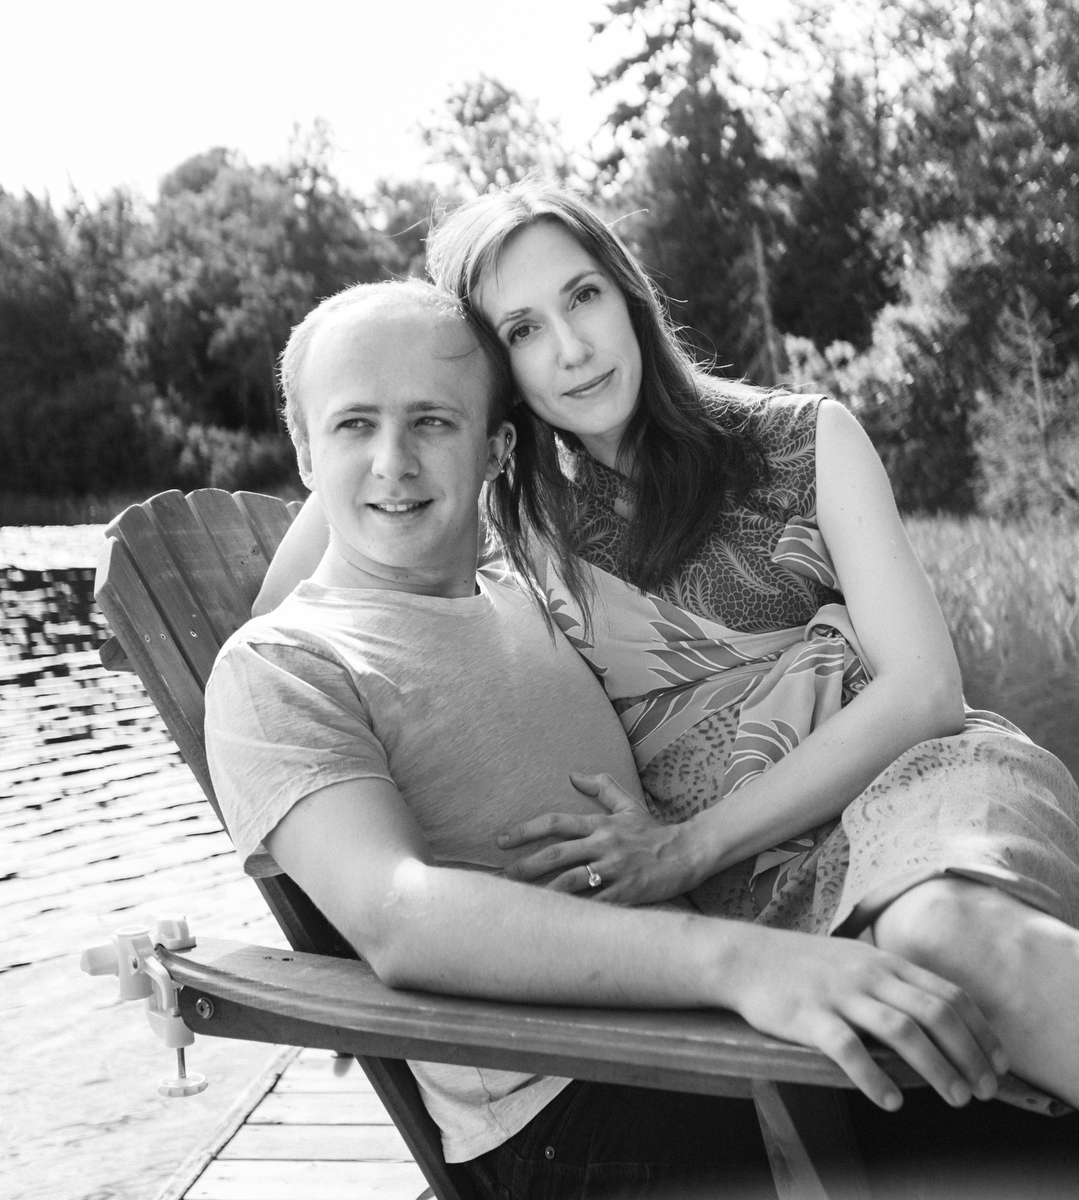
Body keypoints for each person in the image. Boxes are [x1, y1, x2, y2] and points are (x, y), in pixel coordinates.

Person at [255, 183, 1079, 1195]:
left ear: (629, 295)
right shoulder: (511, 508)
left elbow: (925, 690)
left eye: (582, 298)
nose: (570, 349)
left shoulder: (801, 440)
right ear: (494, 374)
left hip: (914, 782)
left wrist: (686, 848)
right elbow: (299, 581)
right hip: (751, 900)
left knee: (943, 939)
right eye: (521, 331)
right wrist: (414, 351)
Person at [210, 279, 1018, 1199]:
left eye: (433, 422)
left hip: (731, 1019)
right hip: (590, 1093)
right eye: (354, 426)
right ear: (305, 452)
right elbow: (399, 918)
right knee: (1078, 1111)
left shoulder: (532, 595)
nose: (393, 463)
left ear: (497, 449)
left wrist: (963, 805)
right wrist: (746, 964)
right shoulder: (281, 665)